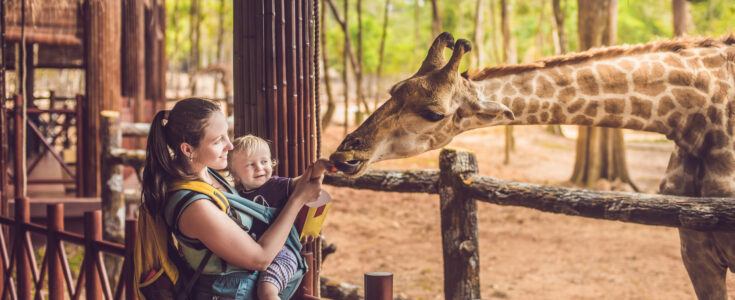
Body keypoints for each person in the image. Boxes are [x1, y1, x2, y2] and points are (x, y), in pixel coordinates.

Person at [141, 98, 326, 299]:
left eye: (227, 134)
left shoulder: (208, 172)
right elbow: (259, 258)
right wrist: (298, 200)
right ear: (187, 149)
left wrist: (311, 175)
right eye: (218, 140)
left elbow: (261, 188)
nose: (229, 145)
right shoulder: (194, 206)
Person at [227, 135, 327, 300]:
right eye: (250, 164)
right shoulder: (235, 195)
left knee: (267, 291)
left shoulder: (276, 185)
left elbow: (303, 181)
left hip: (283, 252)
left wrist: (320, 167)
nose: (259, 168)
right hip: (254, 253)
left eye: (264, 162)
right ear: (235, 174)